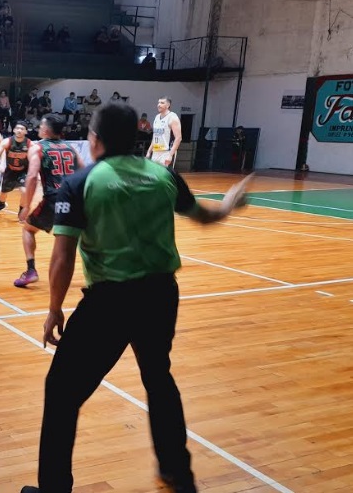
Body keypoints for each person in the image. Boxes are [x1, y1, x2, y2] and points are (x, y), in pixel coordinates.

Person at [20, 103, 253, 493]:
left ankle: (53, 488)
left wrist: (54, 309)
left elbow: (62, 256)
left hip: (108, 303)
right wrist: (229, 204)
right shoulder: (163, 175)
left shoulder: (81, 183)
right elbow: (206, 217)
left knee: (61, 393)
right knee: (159, 380)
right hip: (161, 296)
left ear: (95, 140)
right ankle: (179, 474)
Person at [14, 114, 83, 287]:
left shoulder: (37, 147)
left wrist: (26, 206)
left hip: (55, 198)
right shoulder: (70, 148)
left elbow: (31, 178)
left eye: (40, 126)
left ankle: (31, 271)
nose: (38, 128)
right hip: (74, 198)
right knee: (73, 240)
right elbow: (84, 171)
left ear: (45, 129)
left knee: (28, 229)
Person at [0, 120, 31, 215]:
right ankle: (1, 204)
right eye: (17, 128)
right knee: (4, 193)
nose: (19, 130)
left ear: (26, 132)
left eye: (22, 129)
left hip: (23, 171)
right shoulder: (7, 141)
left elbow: (35, 158)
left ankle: (21, 211)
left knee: (24, 191)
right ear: (14, 130)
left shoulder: (29, 144)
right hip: (10, 170)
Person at [146, 96, 181, 167]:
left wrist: (170, 155)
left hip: (166, 152)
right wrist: (149, 151)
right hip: (156, 151)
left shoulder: (173, 117)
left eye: (162, 103)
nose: (159, 105)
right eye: (158, 102)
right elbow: (155, 136)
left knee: (164, 176)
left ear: (168, 105)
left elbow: (178, 138)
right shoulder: (156, 117)